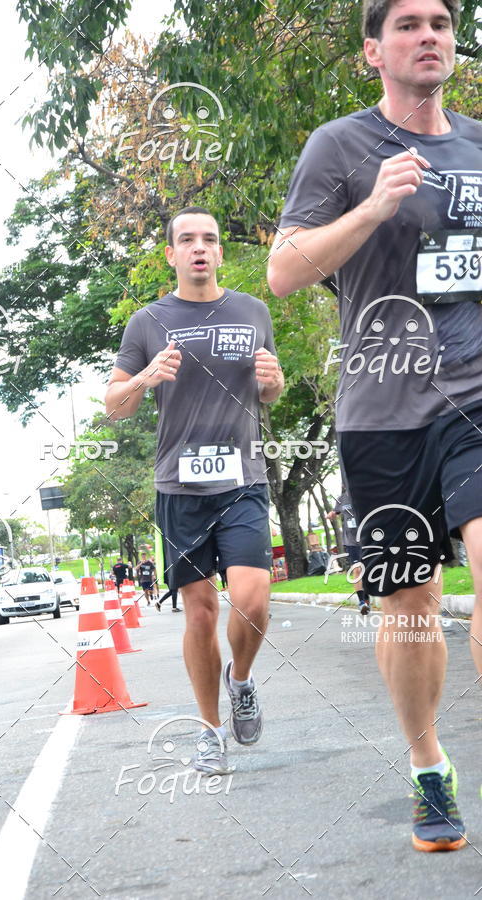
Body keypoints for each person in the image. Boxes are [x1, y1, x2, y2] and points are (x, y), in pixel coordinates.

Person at [268, 0, 481, 852]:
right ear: (373, 51)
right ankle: (428, 762)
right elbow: (284, 273)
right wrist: (369, 210)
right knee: (412, 604)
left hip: (474, 395)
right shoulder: (341, 147)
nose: (428, 34)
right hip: (382, 412)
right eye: (407, 24)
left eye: (441, 22)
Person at [106, 206, 284, 774]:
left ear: (220, 253)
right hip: (180, 485)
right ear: (171, 254)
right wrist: (144, 376)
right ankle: (209, 731)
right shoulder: (147, 321)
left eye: (209, 239)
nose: (200, 248)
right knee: (201, 613)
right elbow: (113, 406)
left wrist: (275, 384)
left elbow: (269, 395)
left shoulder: (253, 311)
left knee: (253, 601)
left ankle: (241, 678)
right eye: (187, 240)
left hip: (243, 479)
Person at [327, 487, 370, 614]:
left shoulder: (364, 493)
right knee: (357, 569)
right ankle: (362, 602)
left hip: (367, 538)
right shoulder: (342, 499)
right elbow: (336, 512)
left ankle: (367, 596)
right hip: (351, 541)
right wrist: (331, 514)